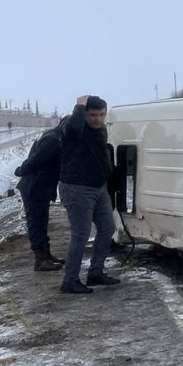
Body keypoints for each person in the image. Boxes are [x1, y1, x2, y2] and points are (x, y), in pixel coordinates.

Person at [58, 95, 119, 294]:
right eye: (93, 115)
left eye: (102, 115)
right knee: (81, 234)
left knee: (108, 228)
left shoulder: (101, 130)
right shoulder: (73, 128)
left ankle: (95, 272)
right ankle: (70, 281)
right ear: (83, 114)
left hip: (98, 187)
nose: (98, 119)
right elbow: (73, 128)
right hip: (77, 188)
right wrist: (79, 105)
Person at [14, 119, 67, 271]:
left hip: (40, 185)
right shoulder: (53, 140)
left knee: (41, 221)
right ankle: (40, 259)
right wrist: (20, 170)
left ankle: (46, 255)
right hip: (35, 185)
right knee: (36, 222)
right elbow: (35, 161)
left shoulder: (55, 137)